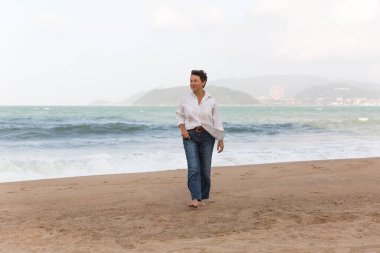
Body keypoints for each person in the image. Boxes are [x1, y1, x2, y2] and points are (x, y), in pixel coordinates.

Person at [176, 70, 225, 208]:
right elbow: (179, 115)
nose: (192, 83)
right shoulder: (185, 99)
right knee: (193, 167)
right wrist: (183, 129)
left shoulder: (211, 100)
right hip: (190, 136)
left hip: (207, 136)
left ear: (203, 82)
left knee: (205, 169)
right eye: (191, 80)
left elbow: (217, 120)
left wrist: (220, 139)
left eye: (195, 80)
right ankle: (195, 198)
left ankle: (202, 196)